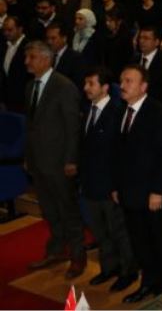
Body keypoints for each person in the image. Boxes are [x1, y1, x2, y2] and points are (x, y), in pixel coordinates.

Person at [114, 64, 162, 303]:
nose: (122, 86)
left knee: (160, 241)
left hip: (152, 193)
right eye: (122, 80)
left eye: (129, 81)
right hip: (129, 192)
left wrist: (158, 191)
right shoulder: (122, 110)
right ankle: (148, 282)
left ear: (143, 87)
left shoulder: (158, 113)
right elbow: (118, 153)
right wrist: (116, 187)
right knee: (139, 242)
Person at [23, 40, 85, 279]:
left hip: (59, 162)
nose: (27, 62)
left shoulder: (64, 86)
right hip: (38, 161)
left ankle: (78, 256)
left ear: (46, 59)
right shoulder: (31, 86)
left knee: (68, 211)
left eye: (32, 57)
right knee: (49, 210)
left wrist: (71, 160)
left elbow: (73, 127)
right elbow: (31, 127)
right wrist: (28, 157)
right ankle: (57, 250)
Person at [80, 66, 138, 292]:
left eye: (91, 84)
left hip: (110, 185)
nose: (86, 88)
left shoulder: (117, 112)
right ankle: (109, 267)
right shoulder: (88, 109)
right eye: (85, 83)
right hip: (90, 183)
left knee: (118, 231)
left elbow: (121, 152)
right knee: (100, 231)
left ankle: (128, 271)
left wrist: (117, 185)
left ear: (104, 87)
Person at [131, 26, 162, 103]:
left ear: (157, 42)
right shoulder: (133, 60)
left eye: (146, 38)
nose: (141, 41)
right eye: (140, 38)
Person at [45, 22, 85, 90]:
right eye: (47, 38)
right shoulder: (45, 57)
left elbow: (76, 85)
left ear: (64, 38)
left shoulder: (76, 58)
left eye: (53, 38)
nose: (49, 42)